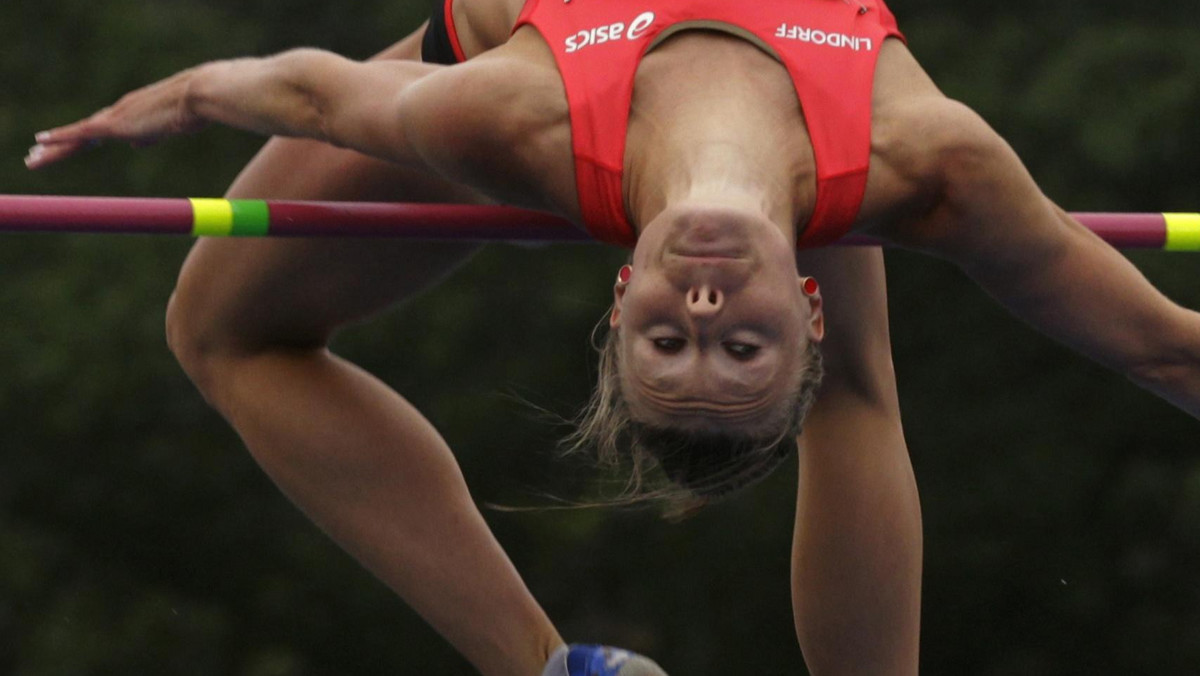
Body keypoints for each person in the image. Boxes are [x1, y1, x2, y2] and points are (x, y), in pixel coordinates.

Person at [31, 0, 1199, 673]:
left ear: (625, 287)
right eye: (741, 350)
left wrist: (182, 96)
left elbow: (313, 93)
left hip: (518, 67)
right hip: (829, 154)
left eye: (667, 347)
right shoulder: (931, 163)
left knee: (220, 330)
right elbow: (1169, 350)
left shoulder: (507, 119)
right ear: (803, 310)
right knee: (856, 390)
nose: (703, 318)